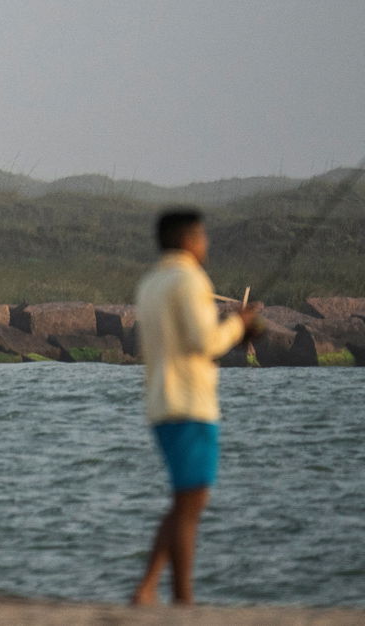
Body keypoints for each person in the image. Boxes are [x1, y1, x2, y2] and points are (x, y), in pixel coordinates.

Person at [129, 207, 260, 606]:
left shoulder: (151, 283)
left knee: (184, 499)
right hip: (190, 403)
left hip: (160, 403)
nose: (206, 243)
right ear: (189, 240)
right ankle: (183, 599)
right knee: (192, 501)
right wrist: (240, 325)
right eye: (203, 236)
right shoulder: (189, 279)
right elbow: (205, 341)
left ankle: (147, 588)